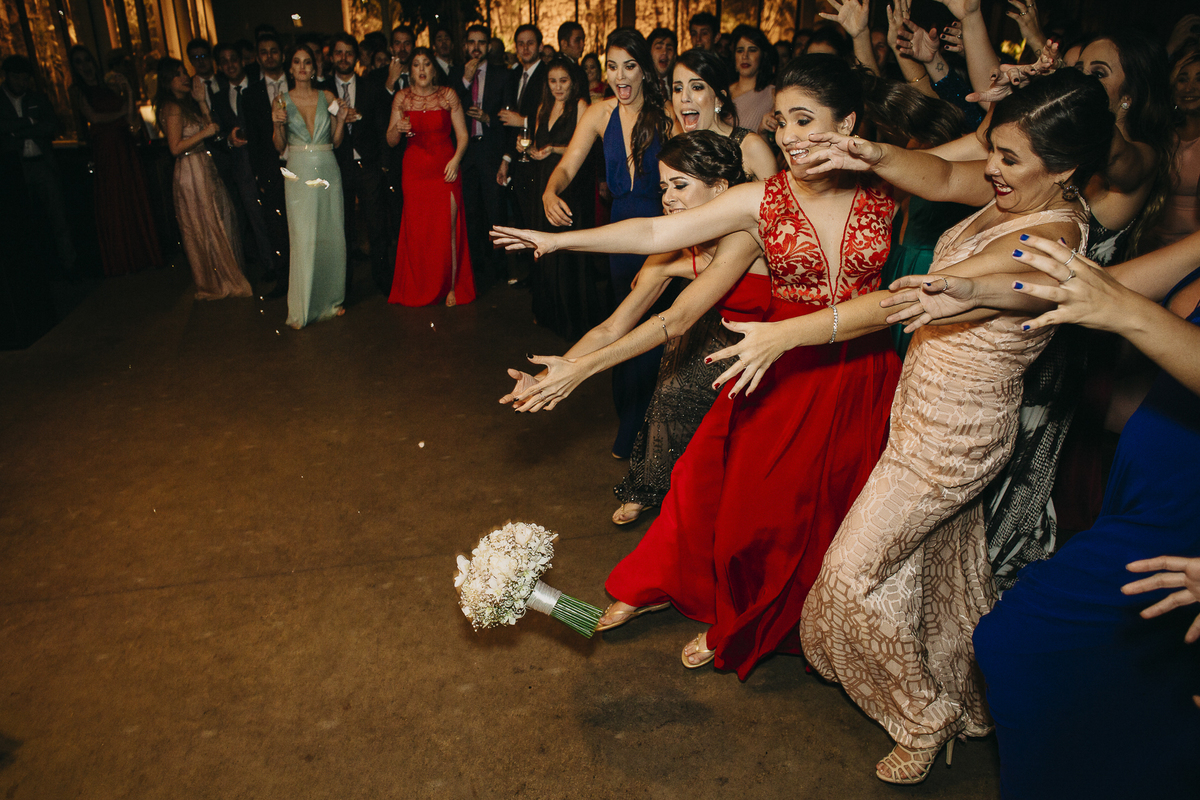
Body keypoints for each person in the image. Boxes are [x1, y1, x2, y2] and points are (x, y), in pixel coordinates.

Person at [494, 55, 937, 678]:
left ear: (848, 125)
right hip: (773, 364)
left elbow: (966, 167)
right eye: (781, 120)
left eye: (804, 120)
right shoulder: (763, 202)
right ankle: (723, 608)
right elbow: (653, 238)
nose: (788, 135)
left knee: (834, 510)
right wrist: (557, 242)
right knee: (740, 504)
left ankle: (799, 616)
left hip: (862, 368)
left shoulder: (888, 189)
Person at [761, 68, 1113, 783]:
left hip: (955, 436)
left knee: (852, 574)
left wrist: (786, 335)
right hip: (923, 410)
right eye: (994, 148)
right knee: (941, 565)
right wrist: (872, 153)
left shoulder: (1051, 235)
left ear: (1064, 168)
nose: (991, 167)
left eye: (1008, 158)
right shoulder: (1018, 193)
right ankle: (968, 690)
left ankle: (924, 715)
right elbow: (946, 177)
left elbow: (918, 299)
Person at [910, 230, 1200, 798]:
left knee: (1020, 642)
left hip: (1183, 509)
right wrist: (977, 292)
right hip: (1150, 486)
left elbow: (1118, 302)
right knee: (1149, 671)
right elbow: (1096, 287)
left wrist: (1128, 313)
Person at [539, 27, 672, 459]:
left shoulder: (667, 114)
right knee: (621, 324)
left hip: (663, 233)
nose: (619, 76)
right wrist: (550, 190)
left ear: (644, 69)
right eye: (612, 67)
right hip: (618, 235)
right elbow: (567, 165)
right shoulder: (598, 113)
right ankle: (629, 417)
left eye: (629, 66)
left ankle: (641, 431)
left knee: (652, 329)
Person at [508, 57, 598, 338]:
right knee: (544, 245)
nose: (558, 87)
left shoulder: (581, 106)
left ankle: (572, 317)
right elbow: (537, 142)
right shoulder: (542, 107)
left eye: (563, 81)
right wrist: (528, 149)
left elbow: (585, 147)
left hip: (570, 183)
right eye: (552, 81)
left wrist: (554, 150)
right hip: (543, 179)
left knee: (568, 248)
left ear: (573, 82)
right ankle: (548, 312)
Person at [155, 58, 251, 300]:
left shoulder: (184, 104)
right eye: (178, 74)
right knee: (204, 224)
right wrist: (203, 133)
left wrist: (200, 102)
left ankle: (223, 275)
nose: (185, 77)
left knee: (216, 219)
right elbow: (175, 147)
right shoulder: (172, 107)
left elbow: (213, 128)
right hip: (190, 169)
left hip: (202, 165)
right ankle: (215, 281)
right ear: (167, 81)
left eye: (184, 72)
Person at [387, 48, 473, 307]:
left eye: (426, 64)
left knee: (448, 228)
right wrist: (397, 128)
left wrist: (456, 160)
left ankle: (452, 286)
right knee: (418, 232)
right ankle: (420, 286)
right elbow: (391, 141)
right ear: (410, 71)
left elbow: (463, 136)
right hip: (414, 172)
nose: (422, 69)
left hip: (445, 169)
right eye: (416, 64)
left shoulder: (448, 95)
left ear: (434, 69)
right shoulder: (402, 98)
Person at [67, 45, 162, 277]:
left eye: (87, 60)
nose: (85, 66)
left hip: (124, 146)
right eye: (78, 62)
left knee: (132, 195)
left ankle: (142, 254)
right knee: (115, 200)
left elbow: (130, 116)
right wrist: (120, 115)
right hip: (107, 150)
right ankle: (123, 258)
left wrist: (128, 88)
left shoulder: (108, 87)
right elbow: (94, 117)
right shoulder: (78, 91)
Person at [272, 44, 348, 328]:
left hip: (328, 167)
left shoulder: (326, 96)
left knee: (331, 234)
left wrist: (341, 120)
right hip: (298, 170)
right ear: (290, 68)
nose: (302, 67)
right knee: (303, 237)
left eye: (307, 62)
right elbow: (279, 146)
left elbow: (336, 141)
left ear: (314, 69)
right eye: (297, 62)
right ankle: (303, 306)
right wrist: (277, 125)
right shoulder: (280, 101)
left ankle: (331, 301)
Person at [0, 55, 75, 278]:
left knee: (58, 217)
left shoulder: (36, 98)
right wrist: (29, 122)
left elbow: (50, 125)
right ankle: (32, 274)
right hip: (15, 167)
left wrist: (17, 131)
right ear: (7, 76)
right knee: (22, 221)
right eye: (17, 78)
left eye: (25, 78)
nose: (22, 83)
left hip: (42, 163)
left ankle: (70, 266)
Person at [329, 33, 391, 298]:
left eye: (349, 53)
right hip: (336, 166)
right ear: (332, 57)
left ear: (356, 57)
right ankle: (344, 286)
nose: (344, 58)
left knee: (377, 226)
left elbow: (381, 126)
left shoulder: (370, 87)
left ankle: (382, 279)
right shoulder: (322, 90)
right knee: (342, 229)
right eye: (339, 52)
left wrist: (383, 165)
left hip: (368, 165)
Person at [211, 41, 276, 287]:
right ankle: (270, 265)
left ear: (242, 61)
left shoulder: (261, 87)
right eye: (224, 61)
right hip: (242, 166)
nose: (230, 65)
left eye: (233, 59)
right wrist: (228, 139)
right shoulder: (219, 98)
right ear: (220, 67)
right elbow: (216, 134)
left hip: (269, 160)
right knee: (255, 218)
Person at [453, 24, 508, 292]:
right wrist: (465, 80)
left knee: (495, 212)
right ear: (465, 45)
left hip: (490, 150)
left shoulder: (502, 75)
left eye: (481, 42)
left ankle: (500, 268)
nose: (476, 47)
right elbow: (450, 105)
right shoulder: (455, 74)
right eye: (472, 42)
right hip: (465, 154)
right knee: (470, 213)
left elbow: (507, 116)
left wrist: (488, 118)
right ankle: (475, 269)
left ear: (489, 46)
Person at [671, 49, 777, 182]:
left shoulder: (751, 147)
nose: (684, 97)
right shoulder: (679, 150)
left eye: (697, 87)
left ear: (719, 100)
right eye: (678, 89)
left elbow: (779, 195)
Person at [242, 33, 291, 297]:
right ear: (258, 57)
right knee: (277, 227)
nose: (269, 56)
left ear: (282, 54)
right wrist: (259, 175)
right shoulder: (251, 94)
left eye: (274, 50)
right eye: (264, 52)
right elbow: (254, 141)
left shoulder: (300, 83)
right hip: (271, 169)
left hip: (301, 164)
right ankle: (283, 281)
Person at [1153, 50, 1200, 247]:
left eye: (1199, 79)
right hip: (1152, 246)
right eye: (1182, 79)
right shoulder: (1159, 134)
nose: (1189, 88)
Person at [729, 26, 778, 135]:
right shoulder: (723, 92)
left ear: (762, 56)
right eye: (740, 51)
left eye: (752, 50)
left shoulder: (773, 94)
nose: (745, 56)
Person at [648, 27, 677, 97]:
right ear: (649, 53)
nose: (664, 52)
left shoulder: (678, 84)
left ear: (675, 56)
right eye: (658, 48)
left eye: (669, 49)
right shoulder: (640, 85)